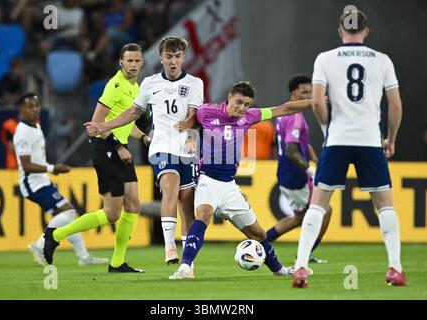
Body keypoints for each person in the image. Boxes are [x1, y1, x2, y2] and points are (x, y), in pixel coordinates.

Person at [293, 10, 406, 288]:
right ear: (366, 31)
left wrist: (327, 127)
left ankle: (300, 267)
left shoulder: (325, 58)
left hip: (338, 138)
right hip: (369, 139)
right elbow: (395, 105)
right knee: (385, 206)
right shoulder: (382, 60)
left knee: (318, 204)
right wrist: (390, 138)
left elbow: (318, 101)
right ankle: (395, 267)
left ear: (340, 31)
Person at [168, 81, 313, 279]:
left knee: (258, 234)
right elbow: (193, 120)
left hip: (229, 185)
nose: (242, 108)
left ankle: (278, 269)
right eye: (239, 102)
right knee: (203, 214)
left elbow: (285, 108)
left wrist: (316, 102)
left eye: (247, 104)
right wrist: (190, 137)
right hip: (207, 179)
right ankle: (185, 267)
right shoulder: (207, 112)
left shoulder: (250, 116)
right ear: (229, 97)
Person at [84, 37, 204, 274]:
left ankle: (188, 263)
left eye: (177, 56)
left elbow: (194, 115)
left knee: (187, 201)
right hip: (160, 146)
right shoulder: (149, 84)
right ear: (161, 58)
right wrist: (104, 126)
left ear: (183, 58)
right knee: (170, 187)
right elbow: (132, 113)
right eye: (168, 56)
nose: (173, 61)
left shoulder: (195, 83)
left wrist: (190, 137)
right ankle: (170, 248)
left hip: (186, 148)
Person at [43, 43, 150, 273]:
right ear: (120, 62)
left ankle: (118, 262)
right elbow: (96, 125)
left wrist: (142, 138)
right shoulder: (115, 86)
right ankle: (55, 234)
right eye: (128, 60)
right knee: (112, 213)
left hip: (119, 149)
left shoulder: (136, 86)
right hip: (106, 149)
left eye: (136, 60)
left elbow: (125, 123)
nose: (133, 64)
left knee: (133, 204)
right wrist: (119, 147)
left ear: (142, 63)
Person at [13, 92, 107, 266]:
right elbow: (26, 164)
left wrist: (49, 169)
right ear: (21, 109)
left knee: (67, 217)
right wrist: (52, 168)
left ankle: (83, 257)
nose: (35, 109)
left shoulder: (35, 126)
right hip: (32, 184)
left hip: (41, 180)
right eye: (30, 106)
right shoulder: (22, 132)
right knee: (68, 212)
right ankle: (40, 244)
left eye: (37, 105)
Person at [267, 75, 332, 264]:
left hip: (285, 173)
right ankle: (306, 254)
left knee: (299, 218)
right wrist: (310, 170)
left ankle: (260, 241)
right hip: (296, 174)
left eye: (310, 92)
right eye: (304, 92)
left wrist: (309, 149)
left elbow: (289, 142)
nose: (309, 95)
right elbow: (290, 149)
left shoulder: (285, 113)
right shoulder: (295, 115)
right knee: (325, 211)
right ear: (293, 93)